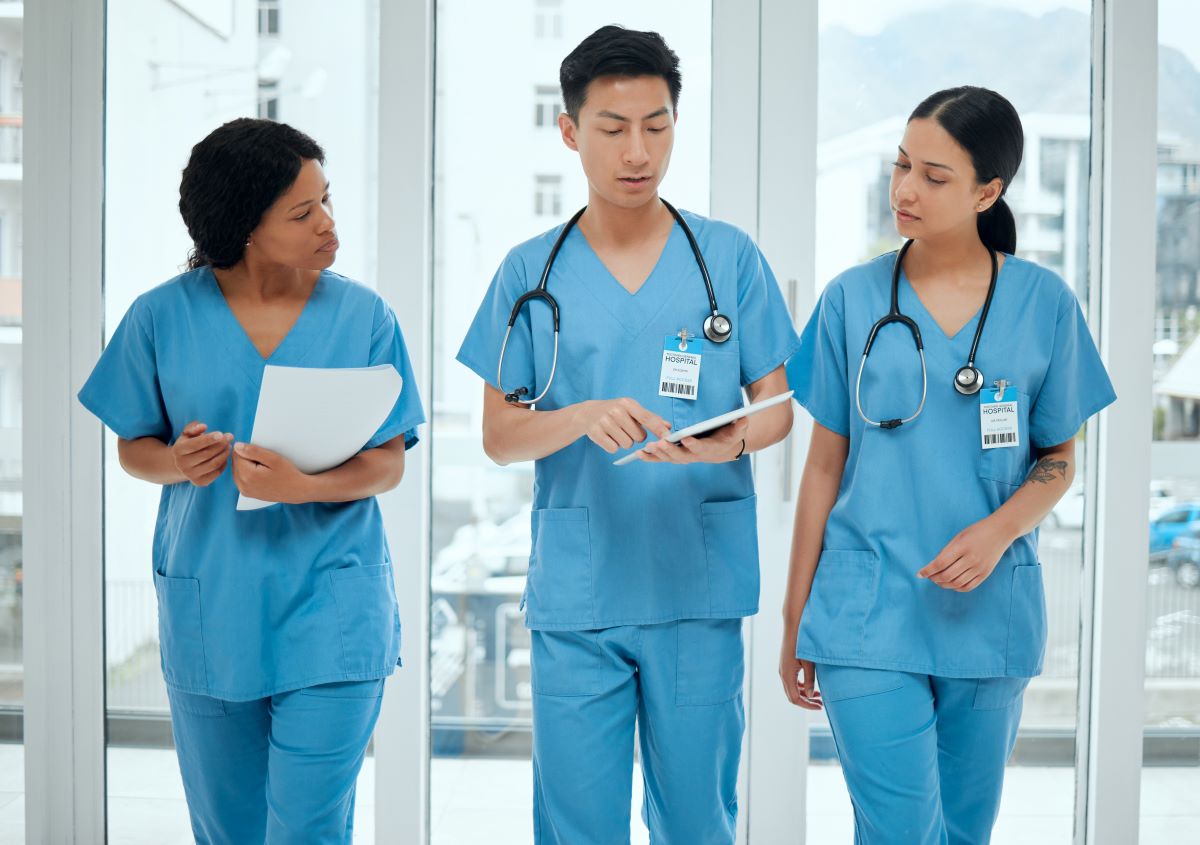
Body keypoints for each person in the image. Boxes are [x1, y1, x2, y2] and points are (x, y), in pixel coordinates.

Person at [456, 25, 800, 845]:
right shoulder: (527, 272)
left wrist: (731, 443)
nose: (638, 150)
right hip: (580, 596)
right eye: (613, 128)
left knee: (696, 820)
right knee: (578, 825)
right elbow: (501, 436)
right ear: (571, 132)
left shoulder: (728, 259)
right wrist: (579, 416)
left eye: (658, 124)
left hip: (695, 587)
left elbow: (778, 406)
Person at [780, 86, 1116, 845]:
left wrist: (1000, 530)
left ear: (987, 190)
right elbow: (823, 468)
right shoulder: (851, 300)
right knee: (899, 829)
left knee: (963, 831)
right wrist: (793, 615)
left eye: (934, 176)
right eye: (902, 166)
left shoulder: (1045, 304)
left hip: (986, 614)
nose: (905, 189)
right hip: (864, 615)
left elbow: (1060, 460)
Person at [78, 118, 424, 844]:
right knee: (228, 829)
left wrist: (306, 486)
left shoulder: (364, 316)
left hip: (334, 607)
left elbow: (389, 459)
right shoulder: (160, 317)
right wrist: (178, 462)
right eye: (303, 213)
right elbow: (133, 447)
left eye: (326, 200)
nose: (328, 225)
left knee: (307, 827)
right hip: (214, 609)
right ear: (242, 225)